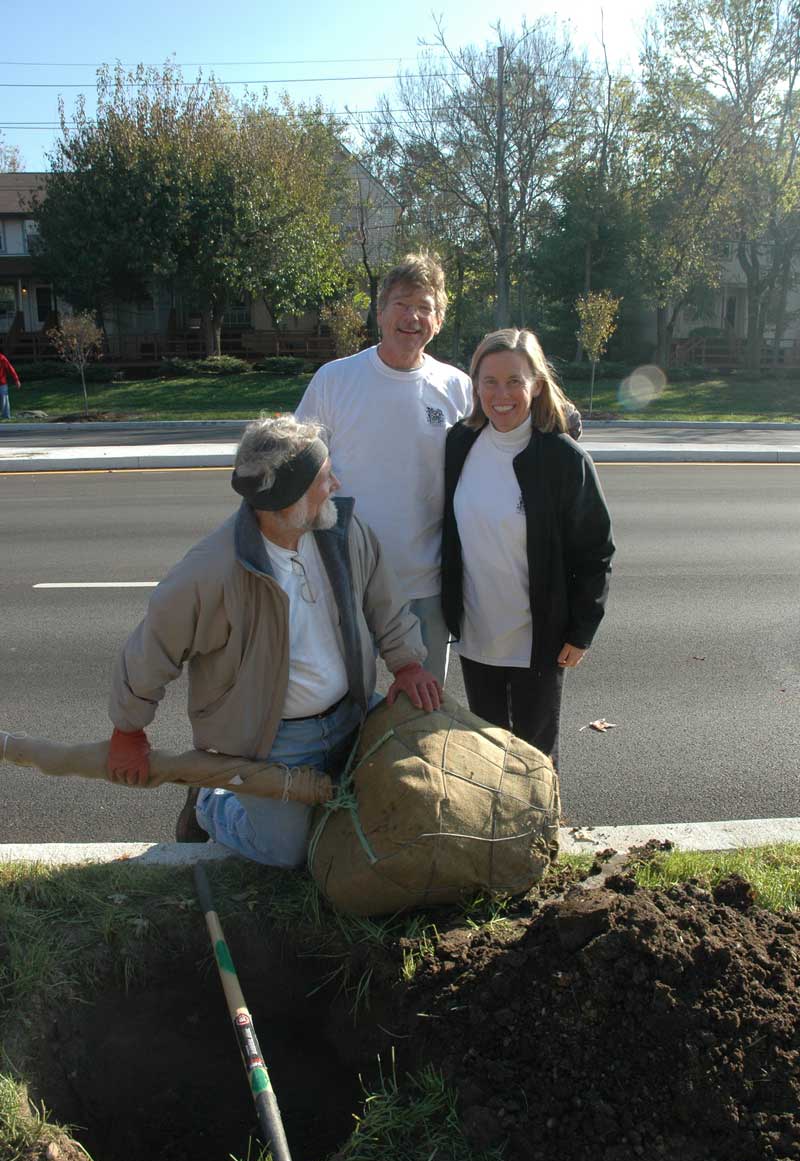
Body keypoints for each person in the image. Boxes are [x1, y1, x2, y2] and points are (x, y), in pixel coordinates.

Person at [106, 416, 443, 867]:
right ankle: (211, 801)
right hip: (269, 742)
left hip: (351, 714)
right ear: (288, 499)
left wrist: (407, 665)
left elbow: (384, 601)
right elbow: (151, 651)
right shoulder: (211, 570)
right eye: (324, 478)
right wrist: (128, 731)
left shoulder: (342, 531)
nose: (336, 484)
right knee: (287, 853)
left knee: (405, 803)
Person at [441, 328, 614, 769]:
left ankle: (540, 836)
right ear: (474, 384)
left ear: (536, 384)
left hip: (539, 638)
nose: (501, 394)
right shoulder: (459, 444)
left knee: (534, 758)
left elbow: (595, 551)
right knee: (488, 753)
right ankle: (496, 836)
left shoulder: (563, 459)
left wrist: (581, 630)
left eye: (514, 381)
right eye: (489, 381)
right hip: (477, 633)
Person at [296, 251, 472, 684]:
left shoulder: (457, 387)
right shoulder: (335, 380)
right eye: (402, 303)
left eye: (425, 307)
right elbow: (298, 465)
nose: (413, 316)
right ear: (380, 312)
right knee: (342, 704)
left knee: (422, 713)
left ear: (438, 321)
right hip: (346, 578)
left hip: (426, 582)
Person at [0, 351, 20, 420]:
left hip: (2, 383)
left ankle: (6, 416)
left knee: (4, 400)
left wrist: (16, 380)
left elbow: (10, 368)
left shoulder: (2, 358)